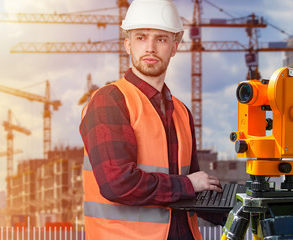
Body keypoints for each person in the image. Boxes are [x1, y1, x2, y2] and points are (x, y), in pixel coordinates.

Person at [79, 0, 224, 239]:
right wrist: (188, 185)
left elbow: (195, 187)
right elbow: (118, 184)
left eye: (161, 39)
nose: (150, 48)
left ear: (174, 47)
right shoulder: (110, 101)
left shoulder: (181, 111)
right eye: (141, 38)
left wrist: (243, 207)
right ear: (127, 45)